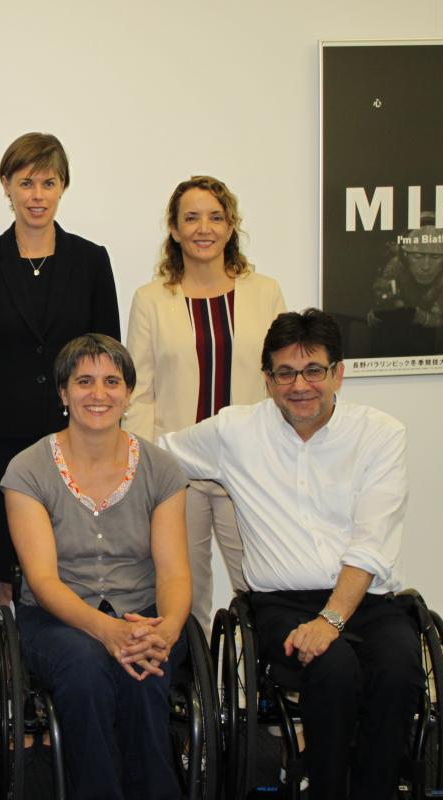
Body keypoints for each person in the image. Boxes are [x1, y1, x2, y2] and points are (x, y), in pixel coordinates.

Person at [158, 309, 422, 800]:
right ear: (268, 380)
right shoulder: (235, 432)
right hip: (282, 604)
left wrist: (332, 620)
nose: (300, 385)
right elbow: (157, 453)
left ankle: (376, 788)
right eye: (285, 373)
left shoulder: (381, 435)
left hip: (369, 601)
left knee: (399, 670)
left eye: (314, 370)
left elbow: (371, 540)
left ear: (338, 372)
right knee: (335, 669)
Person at [1, 333, 191, 800]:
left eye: (111, 381)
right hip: (57, 617)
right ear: (63, 394)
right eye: (84, 381)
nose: (99, 393)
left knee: (148, 670)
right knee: (85, 669)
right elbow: (42, 581)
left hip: (144, 611)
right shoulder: (27, 471)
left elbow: (174, 573)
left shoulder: (162, 469)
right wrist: (107, 632)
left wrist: (164, 630)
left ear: (128, 393)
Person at [0, 132, 120, 606]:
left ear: (64, 186)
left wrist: (112, 443)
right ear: (6, 185)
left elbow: (110, 362)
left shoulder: (91, 261)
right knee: (11, 572)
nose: (37, 195)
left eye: (48, 182)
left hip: (78, 437)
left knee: (75, 562)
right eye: (26, 183)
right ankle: (13, 667)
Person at [124, 175, 285, 635]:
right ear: (173, 230)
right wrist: (148, 466)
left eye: (215, 217)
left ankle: (265, 681)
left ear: (231, 226)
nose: (203, 228)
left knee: (260, 582)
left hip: (249, 469)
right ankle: (189, 687)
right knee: (183, 590)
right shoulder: (151, 300)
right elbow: (139, 393)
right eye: (191, 218)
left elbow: (280, 380)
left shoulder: (265, 292)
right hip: (179, 473)